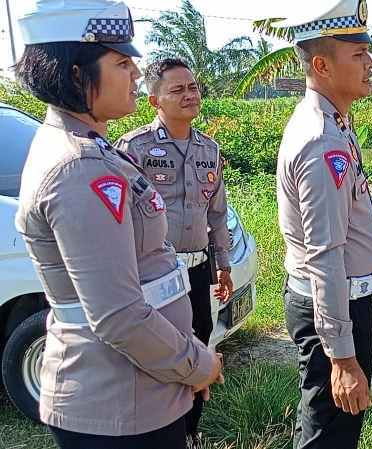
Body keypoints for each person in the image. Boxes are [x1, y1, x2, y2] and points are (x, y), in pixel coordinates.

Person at [14, 1, 222, 448]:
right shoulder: (80, 168)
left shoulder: (92, 149)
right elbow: (119, 317)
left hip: (138, 388)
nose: (134, 72)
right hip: (118, 401)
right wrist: (197, 364)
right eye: (122, 62)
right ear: (76, 75)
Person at [273, 1, 372, 448]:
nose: (371, 63)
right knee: (330, 432)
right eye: (358, 55)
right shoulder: (320, 142)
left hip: (341, 300)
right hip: (333, 306)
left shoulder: (336, 124)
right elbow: (323, 254)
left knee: (327, 424)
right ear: (321, 65)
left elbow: (341, 223)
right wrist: (343, 358)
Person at [115, 57, 234, 445]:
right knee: (159, 352)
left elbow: (217, 215)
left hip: (197, 270)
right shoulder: (135, 148)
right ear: (155, 101)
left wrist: (223, 266)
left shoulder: (209, 149)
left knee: (199, 344)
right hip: (155, 275)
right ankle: (159, 429)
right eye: (178, 89)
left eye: (194, 87)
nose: (190, 95)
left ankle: (190, 431)